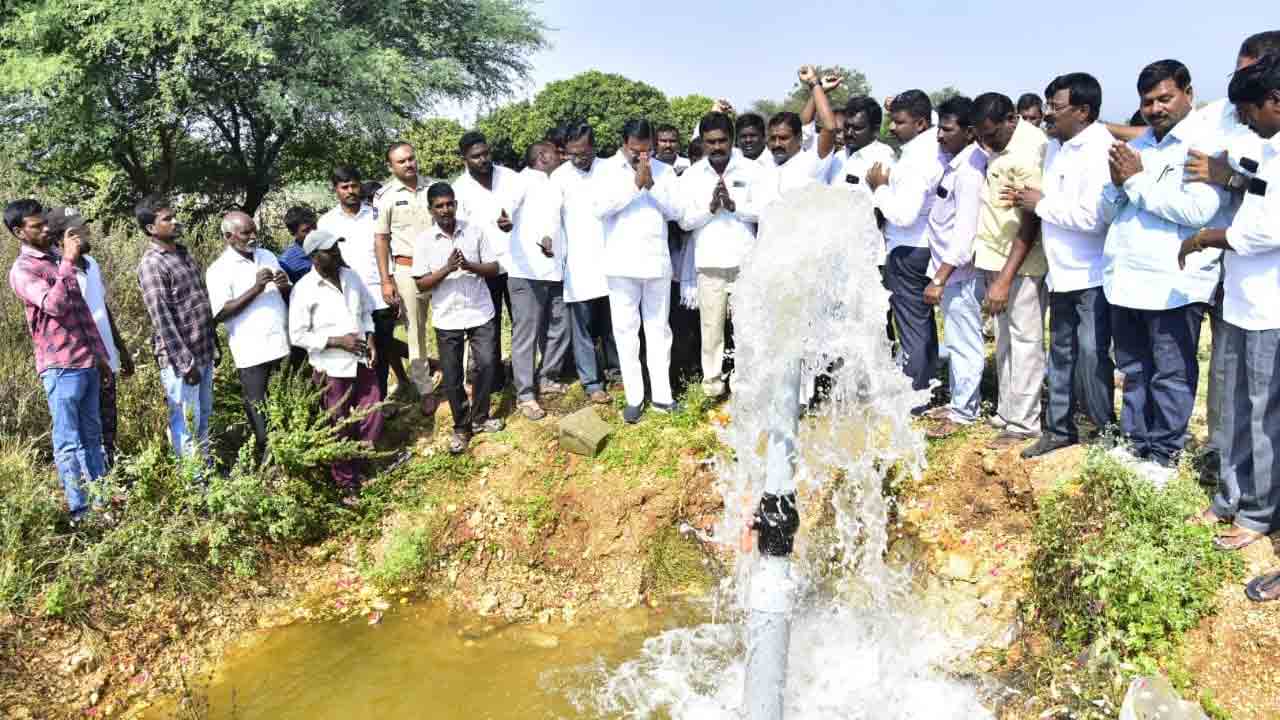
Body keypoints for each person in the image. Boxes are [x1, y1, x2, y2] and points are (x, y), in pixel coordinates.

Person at [1179, 53, 1280, 593]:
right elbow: (1259, 192)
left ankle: (1260, 511)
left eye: (1247, 110)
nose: (1241, 120)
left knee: (1265, 413)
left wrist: (1204, 238)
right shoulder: (1267, 146)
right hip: (1243, 298)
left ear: (1276, 102)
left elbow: (1267, 231)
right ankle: (1231, 497)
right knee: (1238, 404)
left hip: (1271, 306)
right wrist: (1232, 176)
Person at [1099, 59, 1228, 478]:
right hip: (1127, 279)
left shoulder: (1204, 146)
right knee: (1134, 370)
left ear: (1188, 94)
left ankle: (1163, 455)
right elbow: (1106, 211)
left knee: (1170, 374)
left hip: (1173, 281)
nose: (1155, 108)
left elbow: (1198, 210)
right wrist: (1117, 185)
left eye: (1164, 98)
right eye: (1147, 101)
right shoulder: (1136, 148)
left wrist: (1135, 183)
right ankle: (1136, 445)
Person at [1005, 73, 1116, 459]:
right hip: (1062, 272)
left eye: (1056, 107)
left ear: (1083, 111)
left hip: (1092, 274)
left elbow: (1095, 218)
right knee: (1062, 353)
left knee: (1091, 355)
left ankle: (1104, 433)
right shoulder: (1058, 147)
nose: (1048, 114)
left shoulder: (1101, 149)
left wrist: (1041, 205)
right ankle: (1058, 429)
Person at [7, 199, 111, 521]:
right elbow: (54, 306)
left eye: (44, 223)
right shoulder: (23, 270)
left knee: (93, 439)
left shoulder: (54, 259)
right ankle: (80, 511)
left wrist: (102, 356)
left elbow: (82, 313)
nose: (46, 229)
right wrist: (67, 261)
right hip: (60, 368)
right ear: (18, 232)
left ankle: (102, 502)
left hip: (86, 363)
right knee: (68, 441)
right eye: (36, 226)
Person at [971, 92, 1050, 447]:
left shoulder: (1029, 151)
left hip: (1020, 266)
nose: (986, 142)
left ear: (1011, 119)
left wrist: (1004, 278)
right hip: (994, 257)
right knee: (1005, 341)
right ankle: (1007, 412)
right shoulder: (1000, 148)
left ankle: (1024, 423)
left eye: (992, 134)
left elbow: (1029, 223)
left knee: (1026, 341)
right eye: (981, 136)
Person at [595, 119, 683, 422]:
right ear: (624, 144)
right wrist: (635, 185)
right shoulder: (605, 169)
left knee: (659, 331)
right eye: (636, 152)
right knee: (626, 332)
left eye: (648, 152)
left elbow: (677, 213)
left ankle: (662, 397)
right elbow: (600, 208)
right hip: (621, 265)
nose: (643, 158)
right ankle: (634, 397)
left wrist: (650, 184)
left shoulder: (665, 171)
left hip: (656, 263)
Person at [679, 111, 772, 399]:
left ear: (731, 140)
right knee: (712, 329)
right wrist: (709, 209)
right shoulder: (693, 175)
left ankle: (747, 383)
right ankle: (713, 385)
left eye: (721, 141)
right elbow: (684, 221)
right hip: (710, 262)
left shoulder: (752, 170)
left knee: (748, 327)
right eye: (710, 142)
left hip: (746, 261)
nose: (716, 147)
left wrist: (734, 207)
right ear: (702, 143)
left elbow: (768, 210)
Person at [288, 228, 384, 495]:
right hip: (330, 367)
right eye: (329, 251)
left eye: (336, 248)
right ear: (314, 257)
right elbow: (298, 335)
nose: (336, 253)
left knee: (373, 410)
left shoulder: (351, 276)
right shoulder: (304, 290)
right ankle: (346, 483)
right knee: (338, 424)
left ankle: (365, 464)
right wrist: (336, 341)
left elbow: (366, 311)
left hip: (361, 359)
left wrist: (371, 338)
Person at [412, 183, 504, 454]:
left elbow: (493, 267)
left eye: (449, 204)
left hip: (479, 310)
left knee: (487, 365)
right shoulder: (425, 241)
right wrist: (448, 268)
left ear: (456, 204)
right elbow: (421, 283)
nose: (445, 210)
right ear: (431, 210)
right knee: (452, 377)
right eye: (439, 206)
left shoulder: (474, 231)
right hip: (447, 316)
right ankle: (461, 427)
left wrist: (469, 265)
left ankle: (481, 416)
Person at [866, 89, 944, 401]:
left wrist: (880, 189)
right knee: (923, 325)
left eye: (899, 122)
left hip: (908, 248)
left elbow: (903, 214)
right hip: (927, 246)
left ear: (921, 123)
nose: (892, 128)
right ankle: (928, 385)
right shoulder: (935, 145)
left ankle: (916, 393)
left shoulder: (914, 160)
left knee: (912, 326)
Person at [318, 165, 417, 406]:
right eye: (344, 187)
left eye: (354, 185)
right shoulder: (327, 222)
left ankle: (379, 404)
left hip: (377, 294)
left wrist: (391, 283)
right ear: (336, 190)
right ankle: (358, 408)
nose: (351, 191)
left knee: (380, 353)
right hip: (347, 299)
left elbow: (389, 251)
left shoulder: (376, 214)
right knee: (355, 353)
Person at [44, 207, 134, 470]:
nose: (87, 232)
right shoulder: (59, 271)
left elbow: (101, 307)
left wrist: (120, 349)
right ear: (64, 237)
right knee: (87, 430)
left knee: (108, 423)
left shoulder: (92, 264)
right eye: (80, 229)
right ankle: (95, 484)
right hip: (83, 362)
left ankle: (109, 478)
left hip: (106, 356)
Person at [922, 97, 988, 437]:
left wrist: (939, 278)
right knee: (958, 339)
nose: (939, 136)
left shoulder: (970, 173)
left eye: (947, 129)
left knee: (965, 343)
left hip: (959, 274)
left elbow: (964, 235)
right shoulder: (956, 164)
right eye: (939, 127)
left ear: (969, 131)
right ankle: (960, 402)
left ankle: (965, 413)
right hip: (951, 272)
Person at [205, 211, 291, 463]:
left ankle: (290, 446)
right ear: (229, 237)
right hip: (251, 348)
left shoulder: (267, 255)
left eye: (254, 231)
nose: (253, 236)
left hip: (281, 341)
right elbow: (220, 312)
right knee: (257, 402)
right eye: (246, 233)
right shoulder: (219, 269)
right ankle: (267, 454)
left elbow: (283, 291)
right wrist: (255, 288)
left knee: (286, 396)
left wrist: (285, 285)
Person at [135, 195, 217, 461]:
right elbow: (162, 318)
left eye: (173, 216)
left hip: (203, 351)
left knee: (203, 418)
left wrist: (214, 344)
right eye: (167, 219)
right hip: (182, 361)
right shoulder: (152, 264)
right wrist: (185, 363)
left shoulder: (182, 254)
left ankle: (205, 475)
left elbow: (199, 301)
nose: (175, 221)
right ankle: (194, 484)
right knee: (186, 423)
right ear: (150, 228)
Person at [552, 122, 618, 404]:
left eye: (585, 152)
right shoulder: (558, 178)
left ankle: (617, 373)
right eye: (573, 154)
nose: (579, 159)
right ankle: (592, 383)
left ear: (594, 147)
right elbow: (551, 220)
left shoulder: (611, 170)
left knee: (615, 323)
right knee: (583, 329)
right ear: (566, 151)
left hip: (613, 259)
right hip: (578, 265)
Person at [454, 130, 526, 389]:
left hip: (518, 263)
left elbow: (528, 211)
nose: (483, 160)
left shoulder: (511, 178)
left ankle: (522, 375)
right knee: (488, 324)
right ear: (464, 158)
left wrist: (513, 222)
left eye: (486, 154)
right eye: (476, 156)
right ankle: (493, 378)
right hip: (484, 269)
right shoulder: (459, 190)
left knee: (522, 322)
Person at [508, 142, 571, 420]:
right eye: (555, 153)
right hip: (526, 271)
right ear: (543, 157)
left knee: (561, 325)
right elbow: (506, 208)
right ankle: (525, 395)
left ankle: (547, 376)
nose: (560, 156)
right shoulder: (520, 181)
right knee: (527, 335)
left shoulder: (554, 182)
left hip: (556, 269)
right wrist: (503, 219)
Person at [372, 142, 434, 373]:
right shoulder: (385, 196)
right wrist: (386, 280)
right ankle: (425, 387)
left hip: (442, 268)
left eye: (411, 158)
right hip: (408, 270)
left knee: (455, 324)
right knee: (416, 333)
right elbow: (381, 239)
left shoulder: (435, 187)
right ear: (391, 166)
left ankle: (462, 378)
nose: (409, 164)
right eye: (401, 161)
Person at [767, 66, 838, 194]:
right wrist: (819, 89)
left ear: (799, 138)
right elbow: (804, 123)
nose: (777, 144)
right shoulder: (765, 163)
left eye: (783, 138)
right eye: (772, 138)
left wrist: (814, 83)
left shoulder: (813, 160)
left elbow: (830, 127)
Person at [278, 206, 317, 283]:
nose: (313, 233)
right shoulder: (286, 262)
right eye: (306, 230)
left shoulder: (328, 247)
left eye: (314, 227)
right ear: (293, 233)